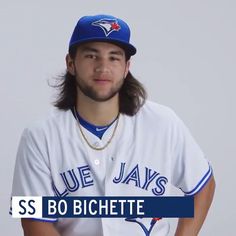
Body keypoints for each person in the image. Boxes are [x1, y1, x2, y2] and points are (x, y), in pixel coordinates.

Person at [10, 14, 215, 236]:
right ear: (71, 63)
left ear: (127, 67)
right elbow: (34, 221)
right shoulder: (39, 136)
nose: (103, 67)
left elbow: (203, 186)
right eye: (91, 55)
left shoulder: (163, 123)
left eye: (114, 57)